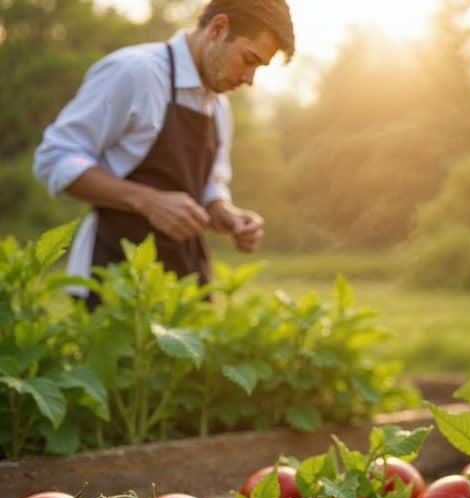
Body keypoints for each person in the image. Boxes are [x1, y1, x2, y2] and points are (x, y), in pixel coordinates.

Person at [33, 0, 295, 308]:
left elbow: (209, 186)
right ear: (218, 29)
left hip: (185, 289)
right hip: (113, 283)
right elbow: (58, 158)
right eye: (248, 60)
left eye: (258, 68)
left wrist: (224, 213)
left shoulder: (219, 108)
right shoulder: (134, 73)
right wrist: (147, 200)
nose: (249, 79)